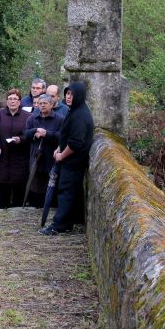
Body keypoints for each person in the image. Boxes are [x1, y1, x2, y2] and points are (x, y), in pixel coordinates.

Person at [40, 81, 95, 236]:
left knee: (66, 192)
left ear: (79, 96)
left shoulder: (80, 115)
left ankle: (59, 225)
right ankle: (69, 222)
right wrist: (59, 147)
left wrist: (61, 156)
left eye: (72, 94)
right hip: (69, 160)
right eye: (67, 93)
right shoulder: (75, 110)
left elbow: (76, 142)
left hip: (74, 162)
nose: (69, 97)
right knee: (69, 192)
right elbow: (67, 135)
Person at [0, 89, 31, 208]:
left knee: (18, 196)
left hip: (20, 160)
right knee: (2, 196)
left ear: (19, 101)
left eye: (15, 99)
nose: (12, 101)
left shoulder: (28, 116)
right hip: (3, 159)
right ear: (6, 101)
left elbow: (29, 135)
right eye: (10, 99)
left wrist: (20, 139)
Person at [24, 94, 64, 207]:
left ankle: (50, 209)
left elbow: (62, 137)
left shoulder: (59, 119)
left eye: (44, 103)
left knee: (50, 185)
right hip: (36, 157)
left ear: (51, 105)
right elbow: (25, 134)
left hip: (51, 157)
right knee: (35, 185)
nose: (41, 106)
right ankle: (35, 208)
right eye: (40, 103)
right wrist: (35, 133)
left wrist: (47, 134)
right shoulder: (32, 118)